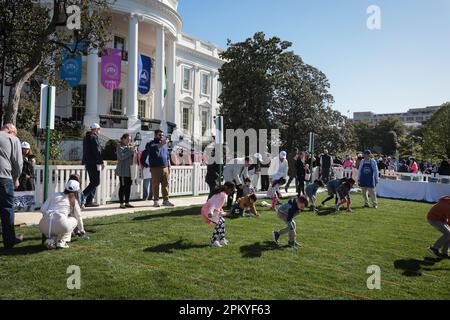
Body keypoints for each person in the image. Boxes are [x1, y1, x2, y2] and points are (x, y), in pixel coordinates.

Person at [39, 180, 85, 249]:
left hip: (43, 226)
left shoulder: (54, 194)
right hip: (60, 224)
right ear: (76, 191)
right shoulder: (74, 201)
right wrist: (81, 230)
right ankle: (62, 241)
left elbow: (42, 209)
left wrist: (50, 215)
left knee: (56, 225)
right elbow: (79, 217)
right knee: (74, 219)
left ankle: (52, 240)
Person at [0, 123, 23, 249]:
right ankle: (9, 241)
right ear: (11, 130)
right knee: (7, 209)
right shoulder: (12, 139)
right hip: (4, 177)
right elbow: (18, 162)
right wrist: (16, 178)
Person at [200, 182, 235, 247]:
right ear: (227, 188)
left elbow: (219, 206)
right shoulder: (221, 195)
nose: (231, 192)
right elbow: (213, 204)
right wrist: (210, 212)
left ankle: (221, 239)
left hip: (213, 211)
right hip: (209, 211)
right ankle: (213, 241)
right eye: (231, 190)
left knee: (222, 221)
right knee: (219, 223)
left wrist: (222, 213)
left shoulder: (222, 194)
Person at [146, 130, 174, 208]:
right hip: (155, 168)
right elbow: (153, 149)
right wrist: (162, 143)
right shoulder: (151, 143)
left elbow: (167, 156)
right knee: (156, 185)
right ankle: (156, 201)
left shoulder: (164, 144)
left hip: (165, 167)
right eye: (159, 135)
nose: (161, 136)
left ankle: (166, 201)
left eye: (162, 135)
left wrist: (169, 166)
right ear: (155, 135)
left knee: (165, 185)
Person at [82, 123, 103, 207]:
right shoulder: (93, 137)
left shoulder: (86, 137)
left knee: (93, 182)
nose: (99, 131)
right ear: (95, 129)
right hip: (94, 162)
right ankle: (82, 195)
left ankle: (89, 201)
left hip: (88, 162)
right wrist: (100, 161)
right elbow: (97, 151)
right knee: (96, 182)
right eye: (98, 129)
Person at [116, 133, 136, 209]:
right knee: (123, 187)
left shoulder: (129, 147)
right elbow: (121, 157)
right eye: (128, 139)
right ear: (123, 139)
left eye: (130, 140)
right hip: (123, 171)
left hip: (130, 170)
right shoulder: (119, 146)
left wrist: (135, 152)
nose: (129, 141)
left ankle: (127, 202)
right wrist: (131, 151)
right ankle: (121, 203)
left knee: (128, 187)